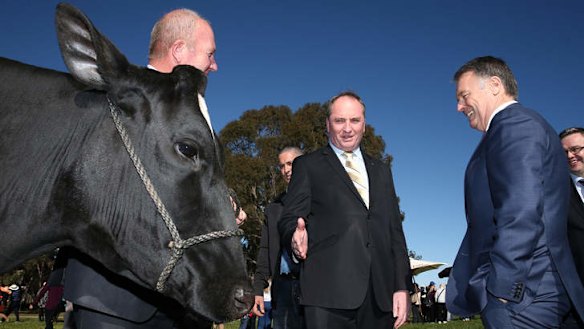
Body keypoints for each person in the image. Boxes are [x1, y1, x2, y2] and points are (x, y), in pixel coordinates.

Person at [61, 8, 227, 329]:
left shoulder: (195, 116)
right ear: (180, 51)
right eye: (210, 54)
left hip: (185, 304)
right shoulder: (107, 95)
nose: (215, 64)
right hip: (113, 300)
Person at [446, 56, 584, 329]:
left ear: (495, 85)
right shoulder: (515, 126)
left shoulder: (514, 125)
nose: (459, 106)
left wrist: (501, 290)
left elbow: (520, 209)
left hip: (524, 297)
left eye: (464, 95)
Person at [278, 91, 411, 329]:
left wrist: (401, 285)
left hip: (379, 296)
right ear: (328, 124)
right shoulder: (307, 165)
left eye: (354, 120)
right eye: (340, 121)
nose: (347, 128)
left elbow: (395, 232)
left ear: (364, 124)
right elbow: (289, 217)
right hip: (327, 294)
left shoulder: (381, 170)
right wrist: (294, 235)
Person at [252, 146, 305, 329]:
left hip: (313, 288)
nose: (286, 170)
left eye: (290, 163)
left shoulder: (319, 200)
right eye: (282, 166)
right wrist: (258, 288)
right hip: (282, 289)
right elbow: (265, 250)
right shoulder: (273, 208)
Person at [559, 127, 584, 329]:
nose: (570, 156)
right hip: (574, 300)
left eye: (575, 149)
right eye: (564, 152)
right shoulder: (554, 192)